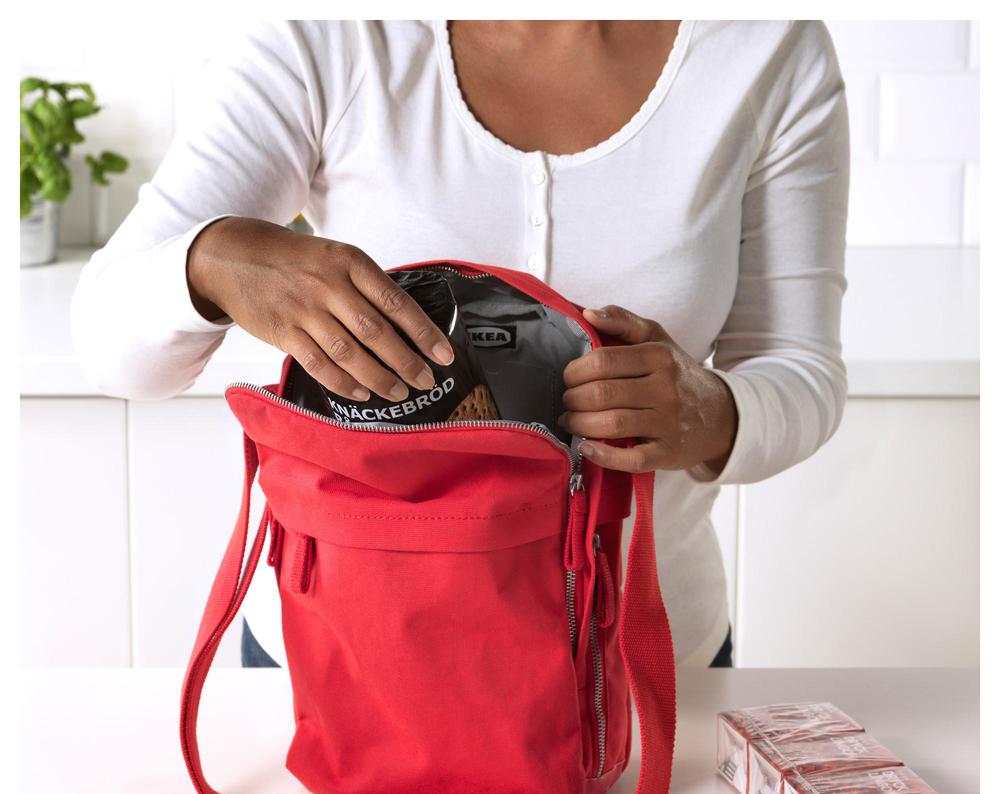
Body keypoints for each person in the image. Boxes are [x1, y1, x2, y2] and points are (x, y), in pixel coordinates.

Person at [71, 20, 849, 671]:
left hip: (642, 671)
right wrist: (208, 263)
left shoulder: (768, 48)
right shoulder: (329, 37)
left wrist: (715, 412)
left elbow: (802, 366)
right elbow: (112, 351)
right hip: (338, 665)